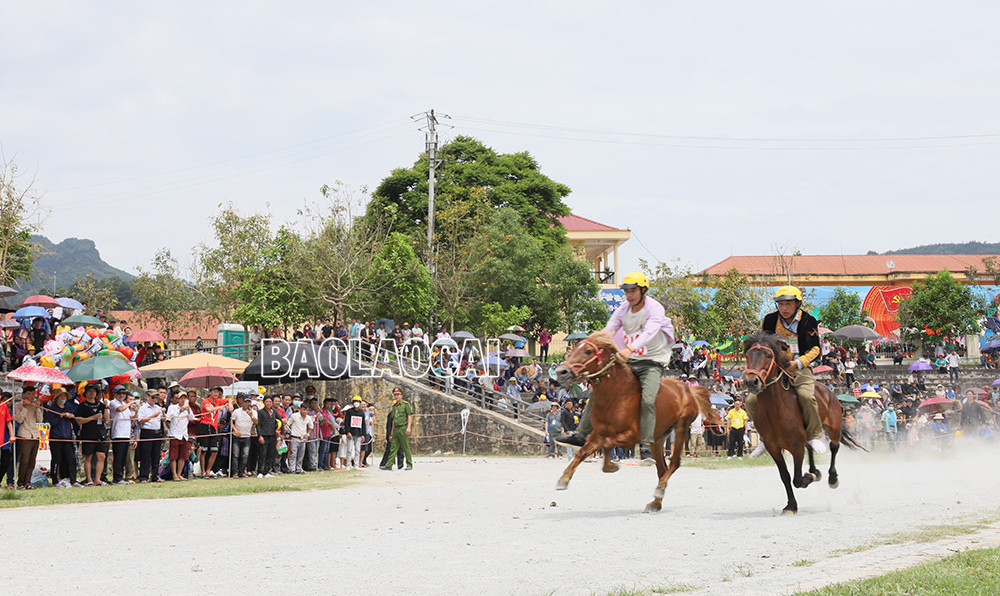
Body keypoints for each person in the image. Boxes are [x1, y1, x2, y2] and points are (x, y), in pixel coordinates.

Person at [556, 271, 674, 465]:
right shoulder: (623, 308)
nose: (629, 294)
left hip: (652, 360)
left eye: (632, 290)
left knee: (647, 399)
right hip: (630, 359)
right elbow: (610, 328)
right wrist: (595, 342)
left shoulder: (655, 308)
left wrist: (630, 348)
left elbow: (650, 332)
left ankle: (646, 447)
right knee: (598, 388)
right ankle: (581, 435)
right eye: (626, 291)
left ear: (643, 290)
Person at [748, 286, 828, 458]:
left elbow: (815, 349)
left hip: (799, 366)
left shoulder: (808, 321)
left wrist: (798, 362)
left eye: (788, 304)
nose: (784, 308)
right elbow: (764, 344)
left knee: (806, 396)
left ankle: (814, 435)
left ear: (797, 304)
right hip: (775, 368)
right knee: (751, 401)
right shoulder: (770, 320)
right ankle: (765, 438)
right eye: (781, 304)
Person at [74, 384, 108, 486]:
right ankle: (89, 479)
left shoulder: (100, 405)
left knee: (101, 456)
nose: (92, 393)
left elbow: (106, 419)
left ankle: (97, 479)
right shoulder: (82, 406)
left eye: (94, 391)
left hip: (100, 434)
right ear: (85, 393)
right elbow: (79, 421)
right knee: (88, 457)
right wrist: (93, 418)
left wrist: (106, 407)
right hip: (88, 433)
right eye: (90, 391)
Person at [45, 389, 79, 487]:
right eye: (61, 396)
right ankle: (55, 480)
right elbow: (52, 423)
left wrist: (71, 416)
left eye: (64, 396)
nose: (63, 398)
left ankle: (73, 480)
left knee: (71, 458)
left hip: (67, 437)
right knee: (56, 459)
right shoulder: (52, 409)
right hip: (56, 437)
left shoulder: (68, 407)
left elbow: (74, 422)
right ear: (57, 398)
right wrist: (60, 416)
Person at [14, 387, 44, 489]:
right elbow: (19, 420)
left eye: (32, 394)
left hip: (35, 435)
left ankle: (28, 482)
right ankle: (20, 482)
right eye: (28, 394)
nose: (30, 396)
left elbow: (40, 420)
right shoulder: (18, 405)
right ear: (23, 395)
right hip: (24, 435)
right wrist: (25, 407)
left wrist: (38, 408)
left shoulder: (35, 404)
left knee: (32, 461)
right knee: (24, 460)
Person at [381, 387, 414, 471]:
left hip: (403, 427)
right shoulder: (394, 406)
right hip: (396, 428)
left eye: (398, 395)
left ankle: (409, 464)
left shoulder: (405, 404)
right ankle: (389, 464)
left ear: (401, 395)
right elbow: (393, 420)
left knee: (405, 447)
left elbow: (409, 415)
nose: (396, 396)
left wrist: (408, 427)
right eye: (395, 395)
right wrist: (392, 432)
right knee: (393, 447)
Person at [165, 391, 196, 481]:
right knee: (173, 456)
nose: (183, 400)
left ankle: (179, 474)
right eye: (181, 398)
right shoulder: (172, 407)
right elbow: (169, 417)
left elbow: (192, 418)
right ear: (178, 399)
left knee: (183, 456)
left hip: (184, 435)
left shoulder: (187, 408)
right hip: (175, 434)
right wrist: (180, 410)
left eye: (185, 398)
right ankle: (174, 474)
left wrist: (188, 409)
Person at [108, 385, 135, 485]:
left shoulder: (124, 404)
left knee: (123, 457)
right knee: (118, 457)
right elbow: (119, 409)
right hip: (118, 433)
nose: (122, 395)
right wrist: (130, 403)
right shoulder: (113, 402)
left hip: (126, 433)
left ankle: (121, 477)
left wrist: (135, 410)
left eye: (124, 393)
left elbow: (131, 417)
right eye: (119, 393)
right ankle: (117, 478)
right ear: (115, 394)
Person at [136, 390, 164, 483]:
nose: (154, 399)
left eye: (156, 397)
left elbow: (163, 419)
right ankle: (143, 476)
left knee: (156, 455)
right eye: (153, 397)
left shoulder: (158, 407)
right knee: (146, 455)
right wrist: (152, 416)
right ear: (147, 397)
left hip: (157, 432)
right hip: (147, 432)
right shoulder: (143, 408)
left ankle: (155, 475)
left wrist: (163, 413)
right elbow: (140, 421)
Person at [256, 396, 279, 477]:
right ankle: (260, 471)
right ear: (264, 402)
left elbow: (280, 421)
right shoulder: (260, 412)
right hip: (264, 436)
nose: (269, 403)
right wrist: (260, 435)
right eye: (267, 402)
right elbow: (258, 425)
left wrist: (281, 432)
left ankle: (267, 471)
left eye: (270, 402)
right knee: (262, 454)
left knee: (271, 454)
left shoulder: (274, 412)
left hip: (272, 436)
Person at [341, 396, 367, 469]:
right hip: (350, 433)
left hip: (358, 433)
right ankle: (348, 465)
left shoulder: (361, 412)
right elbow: (346, 423)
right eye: (355, 401)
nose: (356, 403)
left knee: (357, 450)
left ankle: (356, 465)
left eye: (358, 402)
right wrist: (347, 432)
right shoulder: (349, 411)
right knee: (349, 450)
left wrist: (363, 434)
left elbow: (363, 424)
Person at [0, 392, 15, 489]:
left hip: (3, 440)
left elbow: (8, 421)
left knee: (6, 462)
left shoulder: (3, 406)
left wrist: (12, 435)